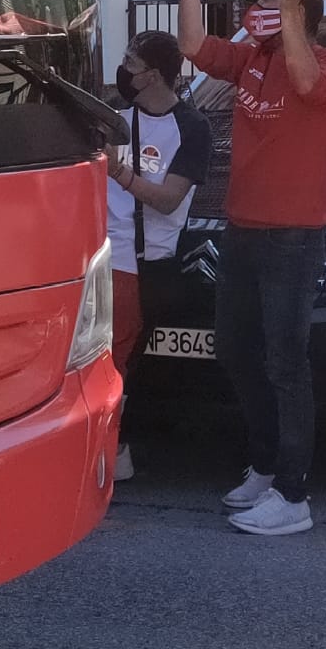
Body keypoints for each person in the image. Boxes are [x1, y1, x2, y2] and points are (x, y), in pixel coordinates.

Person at [162, 0, 326, 536]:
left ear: (300, 12)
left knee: (285, 364)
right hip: (241, 230)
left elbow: (304, 84)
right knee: (237, 351)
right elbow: (192, 43)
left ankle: (295, 497)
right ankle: (266, 467)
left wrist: (292, 16)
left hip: (294, 238)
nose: (258, 8)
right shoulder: (247, 60)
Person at [106, 30, 212, 482]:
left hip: (149, 260)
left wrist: (118, 171)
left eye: (130, 62)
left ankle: (115, 448)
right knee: (106, 358)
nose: (123, 69)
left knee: (120, 359)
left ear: (151, 75)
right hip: (104, 254)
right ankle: (113, 448)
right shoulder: (112, 118)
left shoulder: (192, 127)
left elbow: (169, 199)